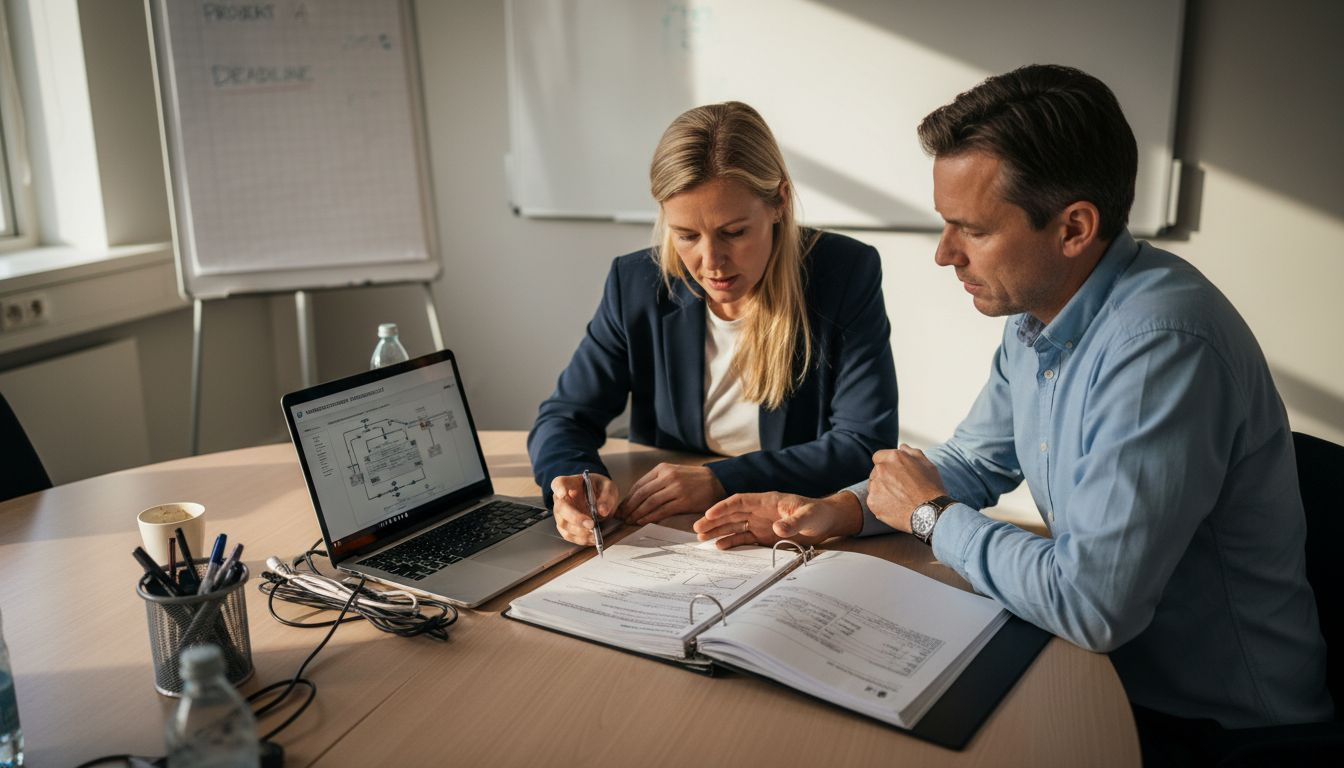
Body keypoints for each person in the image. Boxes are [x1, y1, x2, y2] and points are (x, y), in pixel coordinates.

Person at [694, 66, 1332, 755]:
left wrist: (930, 516)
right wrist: (842, 510)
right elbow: (975, 460)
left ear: (1074, 228)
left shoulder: (1161, 348)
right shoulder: (1041, 315)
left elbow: (1091, 605)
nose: (944, 254)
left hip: (1217, 728)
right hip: (1108, 672)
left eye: (970, 229)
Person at [528, 101, 899, 548]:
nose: (711, 262)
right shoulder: (637, 283)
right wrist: (575, 481)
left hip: (787, 529)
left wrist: (719, 479)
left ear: (779, 202)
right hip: (670, 532)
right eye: (686, 235)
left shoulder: (844, 273)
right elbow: (564, 416)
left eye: (734, 232)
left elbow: (863, 445)